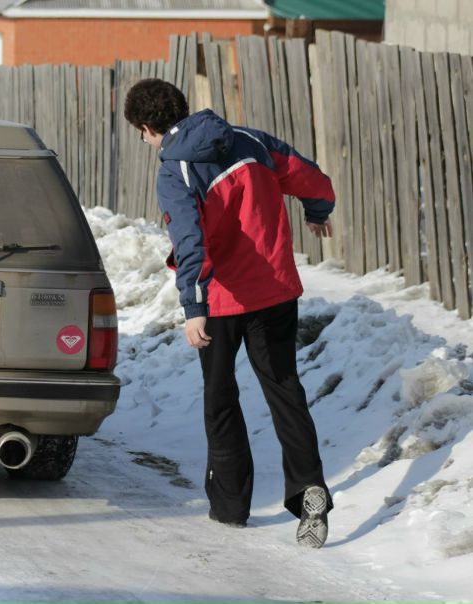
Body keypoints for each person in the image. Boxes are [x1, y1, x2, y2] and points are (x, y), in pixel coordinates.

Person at [124, 78, 335, 548]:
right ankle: (309, 490)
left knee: (221, 398)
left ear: (147, 127)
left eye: (141, 134)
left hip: (221, 301)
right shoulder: (250, 140)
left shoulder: (175, 169)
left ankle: (230, 507)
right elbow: (309, 175)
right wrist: (317, 210)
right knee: (285, 391)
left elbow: (189, 241)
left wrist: (194, 306)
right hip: (276, 291)